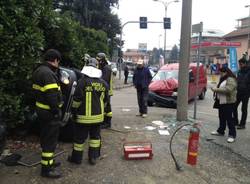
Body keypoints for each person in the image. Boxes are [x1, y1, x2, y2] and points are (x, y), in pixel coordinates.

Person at [68, 58, 109, 165]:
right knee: (95, 139)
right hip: (98, 119)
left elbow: (77, 100)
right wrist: (103, 114)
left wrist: (74, 112)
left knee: (79, 140)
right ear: (97, 67)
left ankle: (76, 159)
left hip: (82, 119)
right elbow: (106, 102)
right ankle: (93, 158)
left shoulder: (82, 82)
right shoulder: (103, 84)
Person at [32, 49, 63, 178]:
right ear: (55, 60)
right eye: (58, 62)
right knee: (50, 140)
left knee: (46, 138)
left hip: (41, 110)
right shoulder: (48, 74)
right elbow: (52, 96)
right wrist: (56, 111)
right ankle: (46, 170)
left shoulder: (39, 70)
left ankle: (49, 162)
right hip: (50, 113)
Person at [210, 67, 237, 143]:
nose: (220, 74)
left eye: (221, 73)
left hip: (228, 102)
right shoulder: (223, 78)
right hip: (221, 101)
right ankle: (221, 131)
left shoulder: (230, 79)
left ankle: (232, 135)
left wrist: (216, 89)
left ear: (226, 72)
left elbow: (228, 90)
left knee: (229, 119)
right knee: (221, 117)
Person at [96, 53, 113, 129]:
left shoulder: (106, 68)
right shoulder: (103, 67)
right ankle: (104, 121)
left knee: (107, 107)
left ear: (102, 60)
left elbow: (104, 81)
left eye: (98, 60)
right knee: (105, 106)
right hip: (105, 90)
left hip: (107, 91)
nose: (97, 62)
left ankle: (107, 123)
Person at [233, 57, 250, 129]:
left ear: (245, 64)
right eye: (239, 64)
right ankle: (235, 121)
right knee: (234, 106)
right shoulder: (239, 71)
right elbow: (237, 80)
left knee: (244, 108)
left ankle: (242, 124)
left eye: (241, 64)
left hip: (246, 93)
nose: (240, 65)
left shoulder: (249, 71)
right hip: (239, 92)